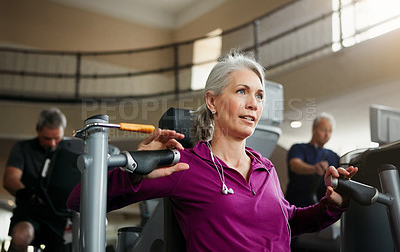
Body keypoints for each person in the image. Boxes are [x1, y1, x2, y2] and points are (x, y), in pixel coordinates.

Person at [67, 51, 357, 251]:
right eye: (242, 91)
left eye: (259, 95)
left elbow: (288, 222)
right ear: (213, 102)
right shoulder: (184, 166)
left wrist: (331, 205)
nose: (254, 104)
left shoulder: (265, 168)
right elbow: (80, 199)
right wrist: (136, 171)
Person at [3, 107, 68, 252]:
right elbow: (10, 178)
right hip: (30, 211)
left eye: (56, 138)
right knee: (20, 236)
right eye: (47, 138)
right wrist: (27, 194)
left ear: (63, 132)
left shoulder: (69, 153)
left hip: (59, 215)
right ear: (38, 130)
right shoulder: (23, 149)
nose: (52, 143)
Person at [285, 113, 340, 208]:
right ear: (314, 129)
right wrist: (314, 169)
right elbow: (295, 165)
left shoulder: (333, 156)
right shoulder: (298, 148)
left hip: (322, 209)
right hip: (296, 206)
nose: (327, 135)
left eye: (330, 131)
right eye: (324, 130)